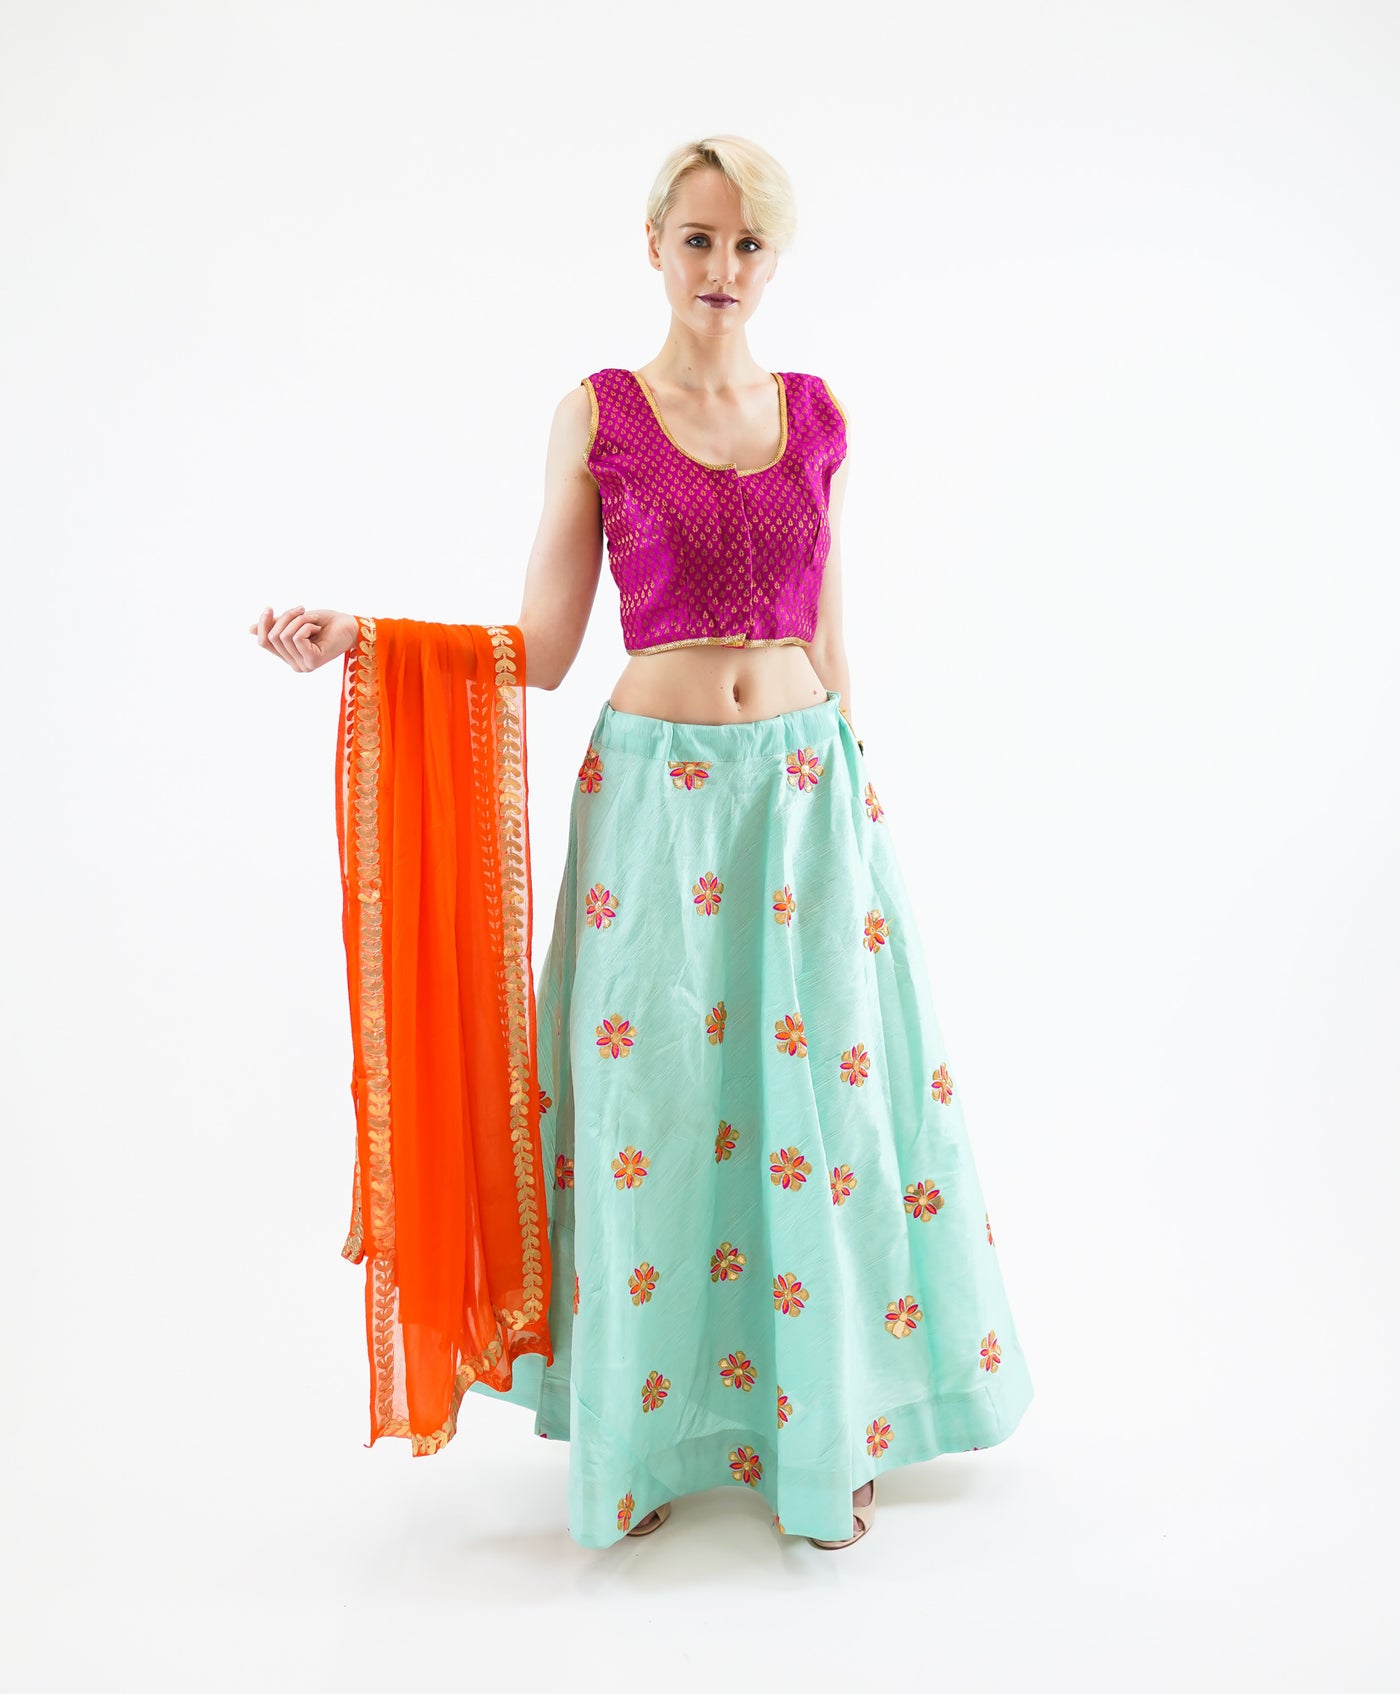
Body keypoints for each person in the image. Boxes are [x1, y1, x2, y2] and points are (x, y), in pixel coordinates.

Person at [250, 133, 1034, 1552]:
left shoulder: (817, 414)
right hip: (655, 806)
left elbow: (830, 632)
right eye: (698, 239)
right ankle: (649, 1430)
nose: (722, 267)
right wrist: (366, 636)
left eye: (747, 243)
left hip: (800, 795)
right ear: (656, 247)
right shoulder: (600, 414)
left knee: (826, 1107)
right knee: (650, 1108)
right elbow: (546, 647)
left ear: (774, 260)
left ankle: (830, 1420)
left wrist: (851, 798)